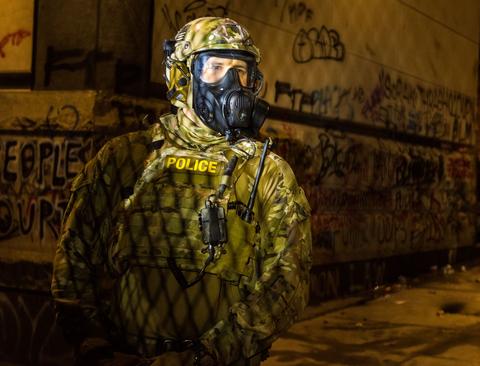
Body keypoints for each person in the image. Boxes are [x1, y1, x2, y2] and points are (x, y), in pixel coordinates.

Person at [51, 17, 312, 366]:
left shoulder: (265, 172)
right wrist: (93, 344)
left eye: (241, 70)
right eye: (216, 67)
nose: (231, 82)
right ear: (182, 76)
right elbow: (73, 256)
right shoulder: (126, 158)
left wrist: (210, 355)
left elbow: (287, 281)